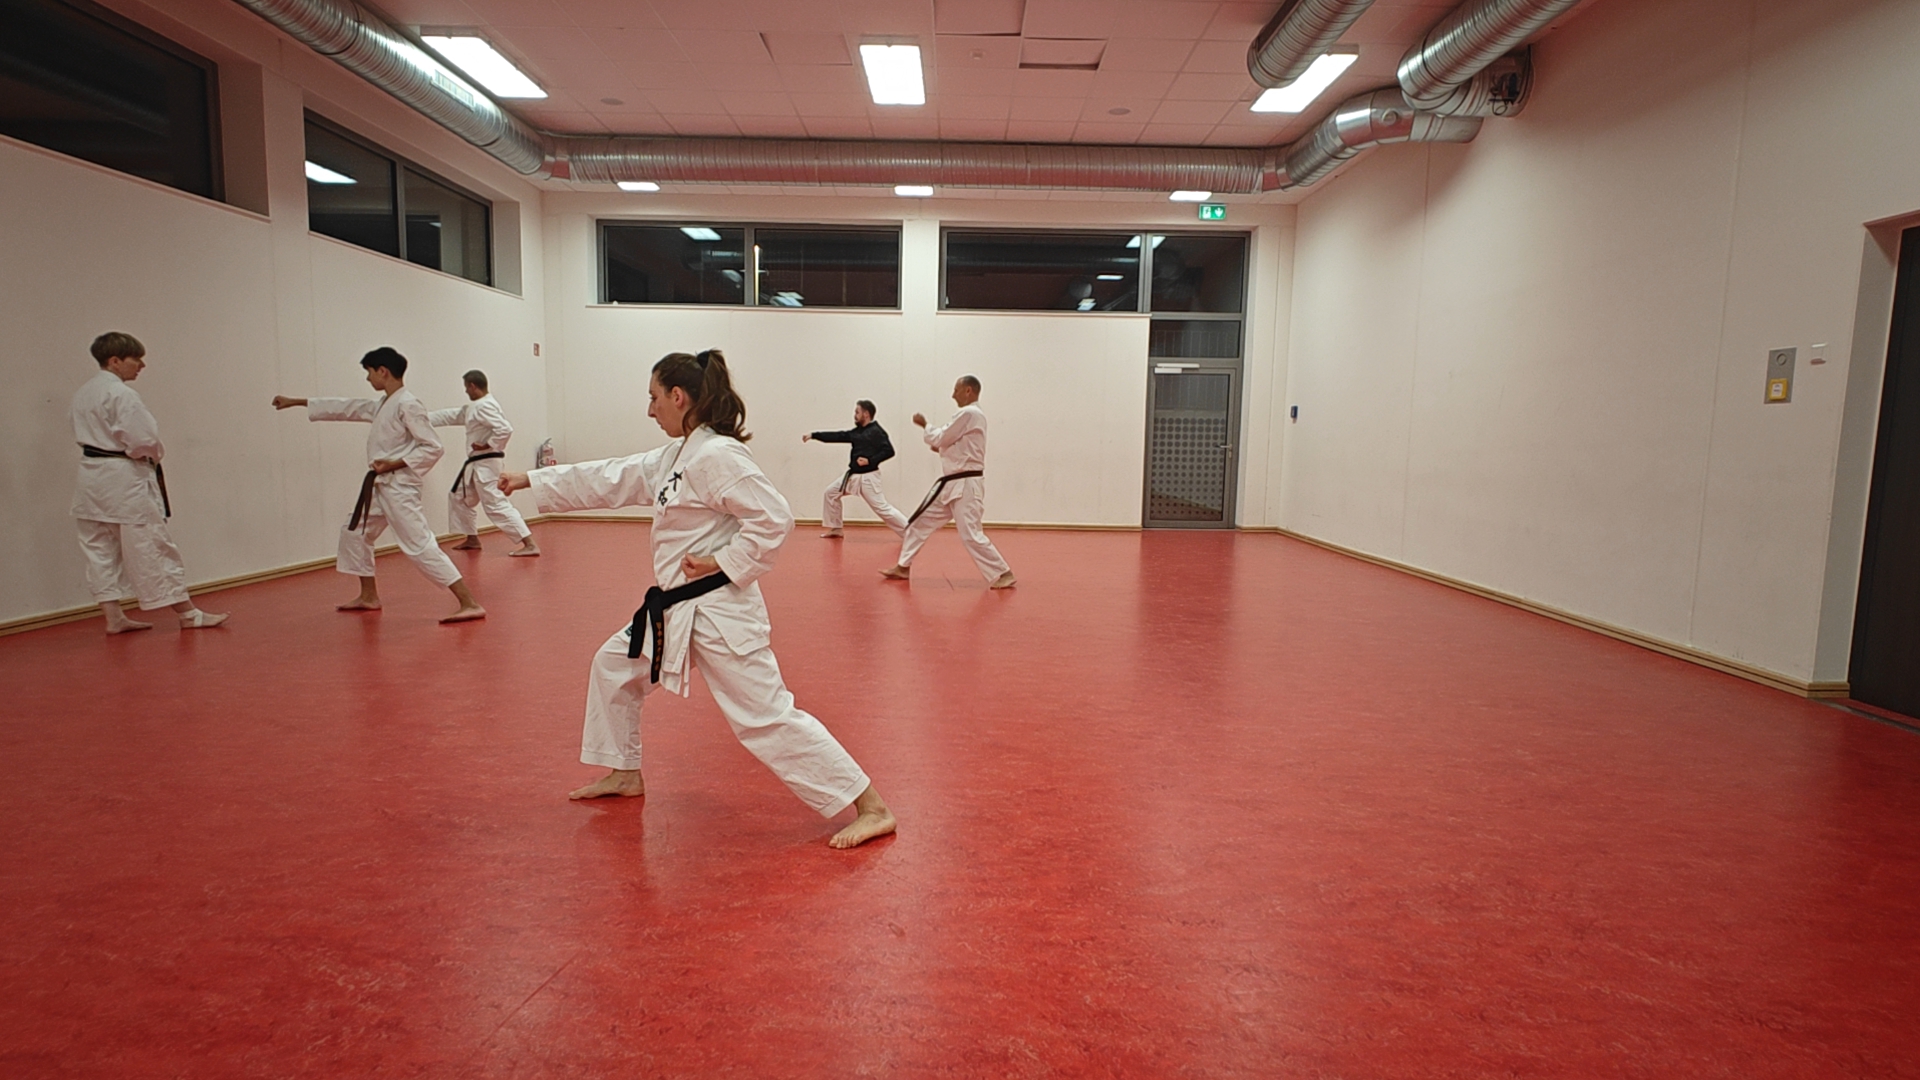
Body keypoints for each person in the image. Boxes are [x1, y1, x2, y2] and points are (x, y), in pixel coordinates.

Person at [500, 349, 896, 849]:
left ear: (678, 396)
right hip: (677, 608)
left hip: (719, 612)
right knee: (613, 666)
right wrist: (531, 479)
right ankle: (624, 771)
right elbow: (612, 475)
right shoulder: (678, 455)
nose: (650, 409)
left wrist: (723, 561)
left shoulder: (716, 455)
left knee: (766, 718)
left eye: (654, 398)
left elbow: (774, 519)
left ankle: (871, 806)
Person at [272, 347, 485, 623]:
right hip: (380, 487)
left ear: (382, 371)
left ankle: (469, 602)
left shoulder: (408, 404)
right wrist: (297, 401)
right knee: (355, 533)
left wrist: (392, 464)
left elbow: (433, 447)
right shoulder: (385, 403)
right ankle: (369, 596)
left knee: (419, 544)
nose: (368, 379)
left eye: (369, 373)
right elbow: (346, 407)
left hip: (399, 488)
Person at [69, 332, 228, 633]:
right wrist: (153, 455)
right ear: (115, 361)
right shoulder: (121, 394)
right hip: (123, 478)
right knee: (152, 545)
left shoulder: (83, 393)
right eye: (136, 359)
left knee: (99, 549)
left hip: (90, 479)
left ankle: (113, 617)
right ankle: (188, 614)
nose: (141, 365)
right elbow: (144, 439)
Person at [880, 375, 1016, 589]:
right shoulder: (971, 417)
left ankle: (1003, 573)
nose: (953, 395)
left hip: (966, 485)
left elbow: (942, 438)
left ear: (968, 390)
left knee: (970, 533)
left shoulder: (969, 413)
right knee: (918, 522)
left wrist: (926, 425)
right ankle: (903, 566)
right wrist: (941, 445)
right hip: (952, 484)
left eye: (956, 390)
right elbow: (951, 445)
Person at [427, 369, 539, 557]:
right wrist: (419, 418)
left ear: (472, 386)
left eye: (466, 388)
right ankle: (472, 538)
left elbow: (505, 429)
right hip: (476, 465)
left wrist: (488, 444)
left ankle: (530, 543)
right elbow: (452, 415)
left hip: (486, 464)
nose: (466, 392)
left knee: (495, 504)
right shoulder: (476, 407)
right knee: (459, 498)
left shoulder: (484, 406)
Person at [802, 398, 906, 538]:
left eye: (857, 412)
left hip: (869, 478)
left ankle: (910, 531)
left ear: (866, 414)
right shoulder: (858, 432)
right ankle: (836, 528)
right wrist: (814, 435)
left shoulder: (877, 431)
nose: (854, 415)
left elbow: (889, 451)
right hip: (854, 476)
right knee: (831, 493)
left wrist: (870, 460)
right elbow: (838, 436)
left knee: (882, 508)